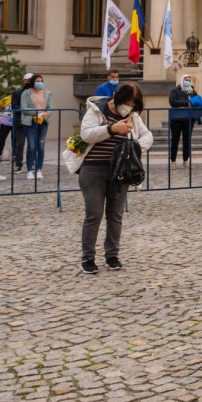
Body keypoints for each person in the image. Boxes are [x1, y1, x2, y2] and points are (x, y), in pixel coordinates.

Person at [77, 83, 152, 273]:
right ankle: (87, 257)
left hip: (120, 171)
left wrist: (133, 147)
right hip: (93, 169)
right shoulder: (96, 110)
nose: (130, 108)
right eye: (127, 103)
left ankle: (112, 255)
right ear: (117, 99)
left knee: (115, 215)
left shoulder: (133, 116)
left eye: (134, 105)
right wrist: (111, 129)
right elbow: (86, 135)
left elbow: (147, 135)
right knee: (94, 214)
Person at [20, 73, 52, 180]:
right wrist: (37, 113)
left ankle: (39, 169)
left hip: (43, 121)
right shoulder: (26, 93)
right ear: (33, 82)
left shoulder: (47, 93)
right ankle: (30, 170)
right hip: (31, 122)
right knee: (32, 146)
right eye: (37, 81)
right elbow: (24, 108)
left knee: (41, 146)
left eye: (41, 81)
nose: (40, 83)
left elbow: (50, 107)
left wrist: (47, 113)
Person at [167, 74, 198, 170]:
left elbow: (196, 101)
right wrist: (186, 103)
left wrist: (191, 103)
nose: (187, 81)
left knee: (187, 140)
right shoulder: (175, 91)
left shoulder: (192, 91)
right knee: (175, 140)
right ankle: (173, 161)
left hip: (188, 119)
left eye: (189, 80)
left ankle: (186, 160)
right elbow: (172, 102)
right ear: (181, 80)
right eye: (186, 80)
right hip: (176, 119)